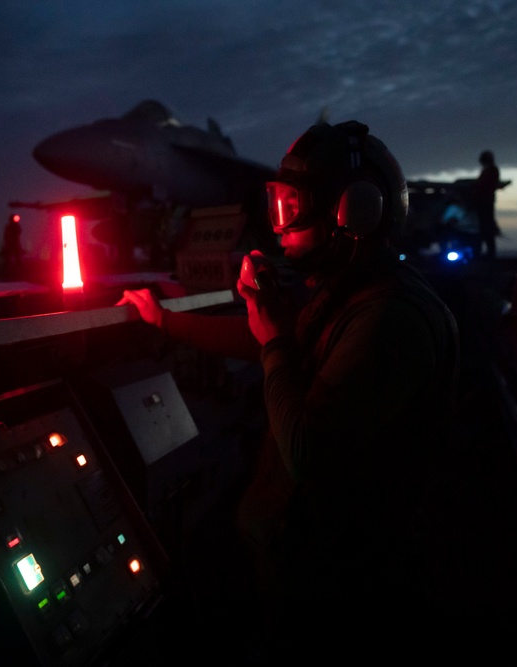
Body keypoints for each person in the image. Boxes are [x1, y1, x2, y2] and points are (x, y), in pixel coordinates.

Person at [118, 120, 460, 660]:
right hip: (301, 567)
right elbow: (269, 340)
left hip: (337, 594)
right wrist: (163, 321)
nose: (279, 226)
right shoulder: (349, 293)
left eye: (292, 208)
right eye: (277, 204)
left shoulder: (389, 320)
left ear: (353, 214)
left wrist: (274, 335)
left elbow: (307, 452)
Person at [471, 150, 511, 260]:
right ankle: (486, 252)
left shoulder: (492, 170)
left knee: (486, 227)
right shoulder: (489, 170)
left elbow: (485, 185)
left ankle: (488, 253)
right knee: (485, 226)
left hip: (485, 202)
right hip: (485, 202)